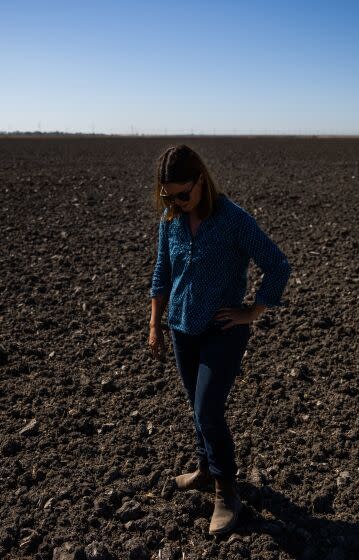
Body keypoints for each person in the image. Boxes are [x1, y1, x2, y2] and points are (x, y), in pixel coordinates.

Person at [147, 144, 291, 535]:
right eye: (167, 195)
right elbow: (162, 272)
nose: (175, 201)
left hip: (223, 331)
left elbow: (277, 265)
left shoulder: (232, 219)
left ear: (201, 181)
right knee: (197, 407)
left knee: (209, 408)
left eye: (182, 193)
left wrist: (252, 311)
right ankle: (205, 470)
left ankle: (227, 492)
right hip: (181, 327)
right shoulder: (170, 220)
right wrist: (155, 324)